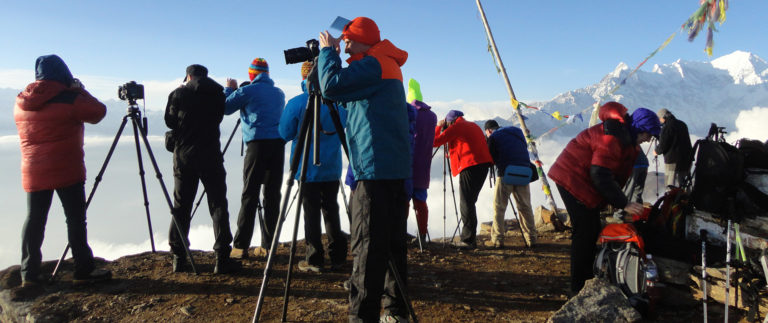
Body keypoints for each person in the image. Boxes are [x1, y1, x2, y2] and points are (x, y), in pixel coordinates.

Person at [318, 16, 411, 322]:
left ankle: (363, 317)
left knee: (367, 248)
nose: (342, 44)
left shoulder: (373, 64)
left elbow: (331, 87)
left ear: (359, 39)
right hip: (393, 168)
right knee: (393, 246)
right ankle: (396, 312)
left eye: (346, 39)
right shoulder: (384, 62)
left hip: (374, 171)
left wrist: (326, 54)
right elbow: (346, 99)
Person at [14, 54, 112, 286]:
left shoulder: (21, 101)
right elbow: (98, 112)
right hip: (67, 168)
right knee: (76, 219)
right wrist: (80, 90)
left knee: (34, 219)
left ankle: (29, 273)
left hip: (33, 169)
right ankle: (84, 269)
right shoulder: (70, 98)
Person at [548, 102, 660, 294]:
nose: (649, 140)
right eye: (648, 134)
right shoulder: (612, 138)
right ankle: (579, 288)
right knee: (585, 233)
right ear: (640, 129)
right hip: (571, 178)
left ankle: (586, 280)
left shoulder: (624, 137)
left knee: (590, 230)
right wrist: (624, 203)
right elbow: (600, 174)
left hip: (580, 179)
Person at [165, 64, 238, 274]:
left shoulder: (178, 93)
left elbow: (170, 121)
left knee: (181, 205)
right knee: (218, 205)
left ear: (188, 75)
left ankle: (179, 257)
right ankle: (222, 258)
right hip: (211, 155)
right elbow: (219, 116)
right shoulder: (216, 93)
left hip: (184, 157)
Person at [279, 61, 348, 273]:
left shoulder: (297, 103)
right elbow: (343, 125)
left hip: (306, 169)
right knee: (331, 210)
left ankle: (314, 258)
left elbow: (285, 133)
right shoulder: (337, 102)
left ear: (304, 78)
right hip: (331, 168)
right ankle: (338, 256)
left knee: (310, 212)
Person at [223, 58, 286, 259]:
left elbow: (225, 108)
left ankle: (240, 247)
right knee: (272, 195)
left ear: (252, 74)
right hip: (277, 146)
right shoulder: (279, 93)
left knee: (250, 195)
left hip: (257, 146)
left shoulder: (247, 91)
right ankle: (269, 246)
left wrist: (229, 89)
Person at [433, 110, 493, 250]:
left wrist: (438, 127)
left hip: (470, 166)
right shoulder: (472, 125)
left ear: (450, 121)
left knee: (466, 202)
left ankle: (468, 240)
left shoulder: (456, 127)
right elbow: (465, 146)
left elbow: (434, 142)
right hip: (482, 166)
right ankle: (469, 237)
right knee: (469, 201)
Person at [483, 120, 536, 249]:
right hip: (524, 172)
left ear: (489, 131)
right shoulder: (517, 132)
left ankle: (497, 240)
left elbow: (490, 157)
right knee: (525, 207)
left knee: (499, 207)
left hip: (506, 173)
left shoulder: (494, 137)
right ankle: (531, 239)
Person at [408, 92, 437, 246]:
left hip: (407, 163)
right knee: (421, 201)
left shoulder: (408, 113)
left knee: (403, 200)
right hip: (424, 165)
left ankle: (399, 233)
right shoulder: (432, 116)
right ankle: (422, 235)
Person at [654, 108, 693, 189]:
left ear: (663, 117)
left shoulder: (667, 127)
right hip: (686, 159)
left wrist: (656, 151)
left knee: (670, 185)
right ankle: (686, 200)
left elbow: (663, 145)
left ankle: (670, 200)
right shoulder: (682, 124)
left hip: (672, 160)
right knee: (684, 184)